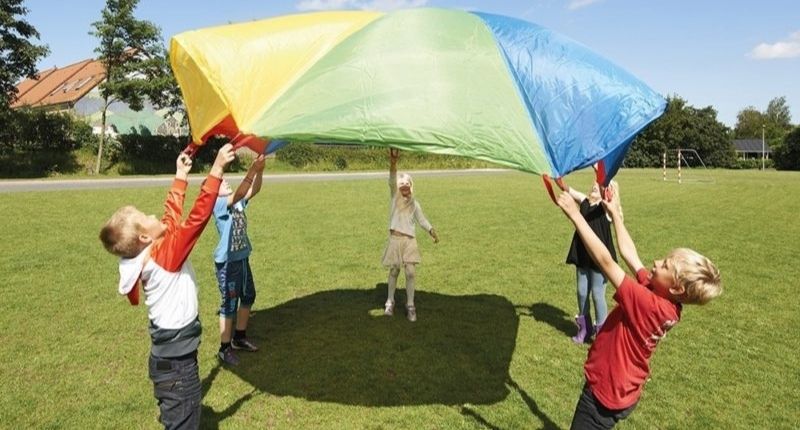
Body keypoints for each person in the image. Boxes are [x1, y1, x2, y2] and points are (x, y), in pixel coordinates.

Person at [555, 184, 722, 430]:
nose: (656, 262)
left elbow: (606, 262)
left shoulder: (648, 304)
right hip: (623, 388)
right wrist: (616, 213)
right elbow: (630, 255)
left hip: (605, 394)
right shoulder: (664, 301)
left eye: (664, 265)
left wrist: (576, 216)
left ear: (676, 288)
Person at [99, 144, 236, 429]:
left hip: (169, 362)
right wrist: (216, 169)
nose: (153, 215)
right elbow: (195, 221)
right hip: (178, 369)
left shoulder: (151, 254)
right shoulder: (164, 259)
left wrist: (180, 175)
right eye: (146, 218)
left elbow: (171, 220)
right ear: (146, 239)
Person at [212, 154, 266, 366]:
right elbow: (240, 193)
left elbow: (254, 190)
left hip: (242, 258)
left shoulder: (238, 203)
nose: (225, 180)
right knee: (229, 303)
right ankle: (224, 349)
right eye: (221, 180)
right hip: (228, 263)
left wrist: (260, 171)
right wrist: (251, 170)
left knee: (248, 295)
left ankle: (239, 337)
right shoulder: (218, 203)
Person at [382, 148, 439, 322]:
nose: (404, 187)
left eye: (407, 184)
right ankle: (390, 302)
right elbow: (392, 179)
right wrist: (393, 163)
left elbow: (421, 219)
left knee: (411, 273)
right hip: (395, 239)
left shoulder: (415, 203)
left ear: (411, 187)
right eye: (402, 185)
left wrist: (431, 230)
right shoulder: (394, 198)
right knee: (394, 270)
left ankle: (410, 305)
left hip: (409, 241)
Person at [562, 180, 620, 343]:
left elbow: (608, 198)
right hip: (582, 255)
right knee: (581, 291)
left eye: (599, 185)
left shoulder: (606, 208)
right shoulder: (584, 201)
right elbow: (568, 189)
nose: (595, 185)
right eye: (593, 184)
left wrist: (606, 187)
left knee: (597, 293)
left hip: (600, 257)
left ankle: (602, 335)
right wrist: (557, 177)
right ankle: (584, 329)